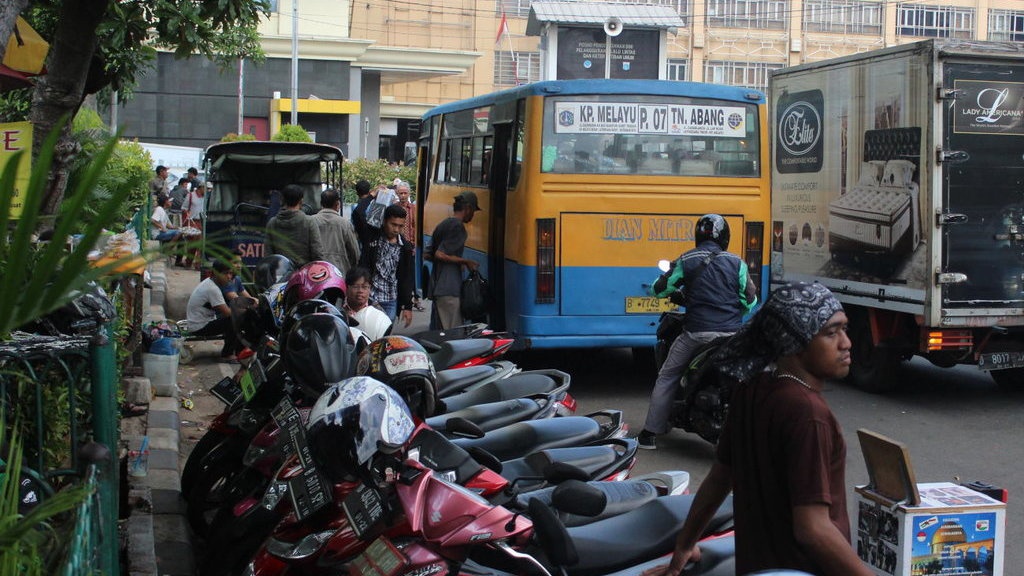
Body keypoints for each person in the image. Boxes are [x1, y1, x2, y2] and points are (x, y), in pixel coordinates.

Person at [650, 282, 871, 576]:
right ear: (793, 343)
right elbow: (813, 528)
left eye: (844, 329)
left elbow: (719, 477)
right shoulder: (808, 413)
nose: (846, 343)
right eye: (831, 333)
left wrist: (684, 544)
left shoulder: (753, 388)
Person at [636, 214, 757, 450]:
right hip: (732, 334)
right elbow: (750, 300)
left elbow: (659, 288)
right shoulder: (737, 263)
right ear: (725, 238)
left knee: (668, 375)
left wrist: (670, 294)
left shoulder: (687, 259)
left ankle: (649, 433)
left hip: (697, 333)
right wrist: (733, 311)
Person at [428, 191, 481, 330]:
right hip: (449, 288)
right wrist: (465, 262)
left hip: (437, 286)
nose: (473, 215)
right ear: (468, 208)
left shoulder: (443, 224)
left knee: (439, 333)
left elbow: (429, 254)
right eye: (473, 211)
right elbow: (440, 254)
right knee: (452, 335)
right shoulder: (458, 227)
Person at [358, 203, 414, 327]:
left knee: (384, 338)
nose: (396, 230)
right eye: (393, 224)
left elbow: (407, 278)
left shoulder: (405, 248)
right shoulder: (372, 237)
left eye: (400, 226)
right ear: (384, 221)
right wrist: (373, 196)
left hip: (390, 300)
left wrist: (408, 306)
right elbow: (358, 214)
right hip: (369, 297)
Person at [185, 258, 244, 361]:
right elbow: (228, 313)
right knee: (233, 320)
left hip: (202, 320)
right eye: (226, 274)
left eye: (230, 273)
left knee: (234, 317)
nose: (229, 277)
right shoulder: (212, 289)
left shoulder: (210, 282)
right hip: (199, 326)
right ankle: (227, 354)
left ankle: (235, 349)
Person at [265, 184, 324, 267]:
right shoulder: (309, 222)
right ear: (301, 201)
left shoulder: (272, 223)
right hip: (304, 274)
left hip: (281, 274)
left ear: (282, 200)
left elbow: (268, 254)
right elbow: (317, 252)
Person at [311, 188, 360, 275]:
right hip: (339, 272)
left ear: (321, 203)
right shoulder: (345, 224)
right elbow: (354, 252)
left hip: (316, 272)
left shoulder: (311, 221)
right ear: (337, 204)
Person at [344, 266, 393, 341]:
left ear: (369, 289)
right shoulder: (338, 309)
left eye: (364, 287)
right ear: (347, 288)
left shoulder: (379, 313)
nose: (360, 291)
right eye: (356, 287)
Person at [151, 194, 184, 265]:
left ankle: (178, 261)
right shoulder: (159, 209)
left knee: (182, 238)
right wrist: (162, 227)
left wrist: (179, 228)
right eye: (170, 201)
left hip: (162, 232)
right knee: (178, 233)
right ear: (166, 202)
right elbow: (153, 220)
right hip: (157, 233)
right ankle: (167, 250)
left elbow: (169, 226)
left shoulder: (164, 211)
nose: (171, 203)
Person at [351, 179, 374, 252]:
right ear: (369, 191)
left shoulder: (354, 207)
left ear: (357, 193)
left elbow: (353, 226)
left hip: (361, 242)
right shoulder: (375, 206)